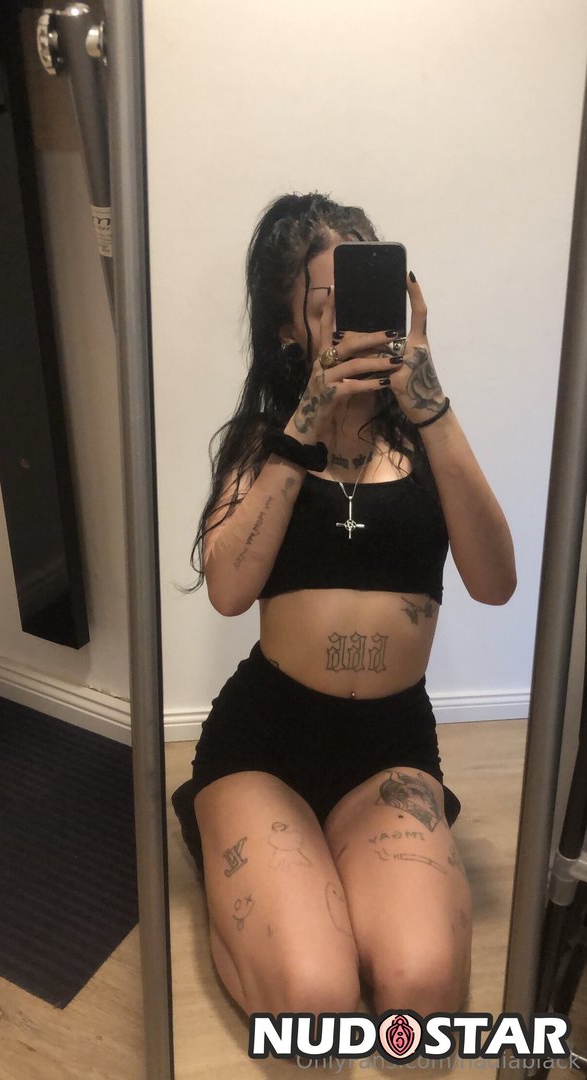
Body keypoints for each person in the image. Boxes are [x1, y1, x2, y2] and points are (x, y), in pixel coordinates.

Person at [171, 192, 516, 1025]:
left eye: (368, 299)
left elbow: (497, 581)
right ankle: (263, 883)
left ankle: (328, 874)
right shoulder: (262, 442)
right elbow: (228, 590)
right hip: (266, 745)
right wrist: (306, 423)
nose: (352, 325)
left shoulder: (427, 441)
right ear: (289, 330)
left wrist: (431, 403)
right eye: (326, 307)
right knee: (315, 1002)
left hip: (389, 747)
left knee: (420, 993)